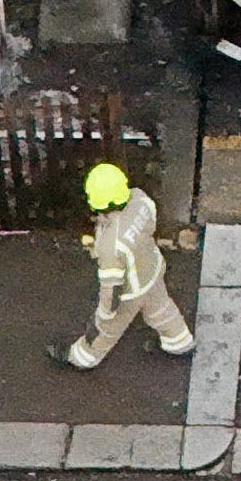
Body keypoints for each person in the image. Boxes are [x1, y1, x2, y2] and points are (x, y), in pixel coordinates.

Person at [55, 159, 195, 371]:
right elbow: (150, 226)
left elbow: (112, 287)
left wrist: (105, 314)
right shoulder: (140, 199)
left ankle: (83, 357)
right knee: (161, 308)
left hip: (131, 290)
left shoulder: (110, 244)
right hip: (152, 268)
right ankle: (179, 342)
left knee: (107, 330)